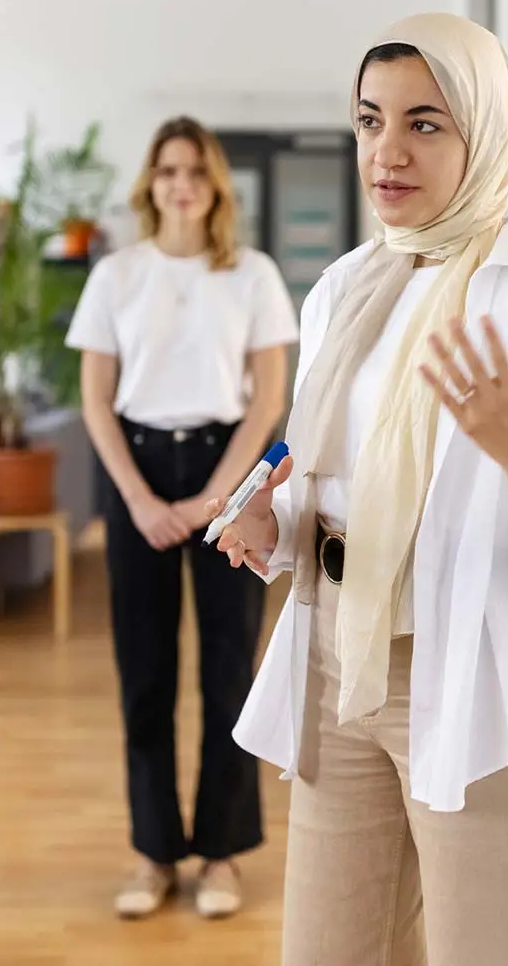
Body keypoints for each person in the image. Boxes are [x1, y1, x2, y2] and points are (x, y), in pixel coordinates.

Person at [208, 13, 508, 966]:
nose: (386, 152)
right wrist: (269, 522)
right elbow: (326, 478)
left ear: (480, 131)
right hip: (337, 660)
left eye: (425, 123)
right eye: (370, 122)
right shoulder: (345, 290)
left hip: (477, 665)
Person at [67, 116, 299, 920]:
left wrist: (221, 499)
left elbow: (269, 399)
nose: (182, 185)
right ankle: (154, 852)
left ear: (215, 187)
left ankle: (222, 854)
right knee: (146, 676)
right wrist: (136, 499)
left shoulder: (254, 275)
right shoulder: (117, 276)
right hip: (136, 471)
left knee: (230, 670)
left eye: (196, 172)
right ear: (150, 185)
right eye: (168, 171)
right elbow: (96, 399)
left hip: (224, 469)